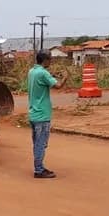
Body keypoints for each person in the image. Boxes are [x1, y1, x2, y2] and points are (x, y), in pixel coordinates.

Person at [27, 50, 67, 179]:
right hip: (42, 114)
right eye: (50, 58)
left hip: (33, 113)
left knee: (37, 142)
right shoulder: (43, 73)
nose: (51, 60)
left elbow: (44, 79)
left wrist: (52, 74)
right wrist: (65, 77)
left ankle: (39, 166)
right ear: (45, 60)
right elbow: (58, 86)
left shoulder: (32, 71)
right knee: (41, 143)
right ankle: (38, 169)